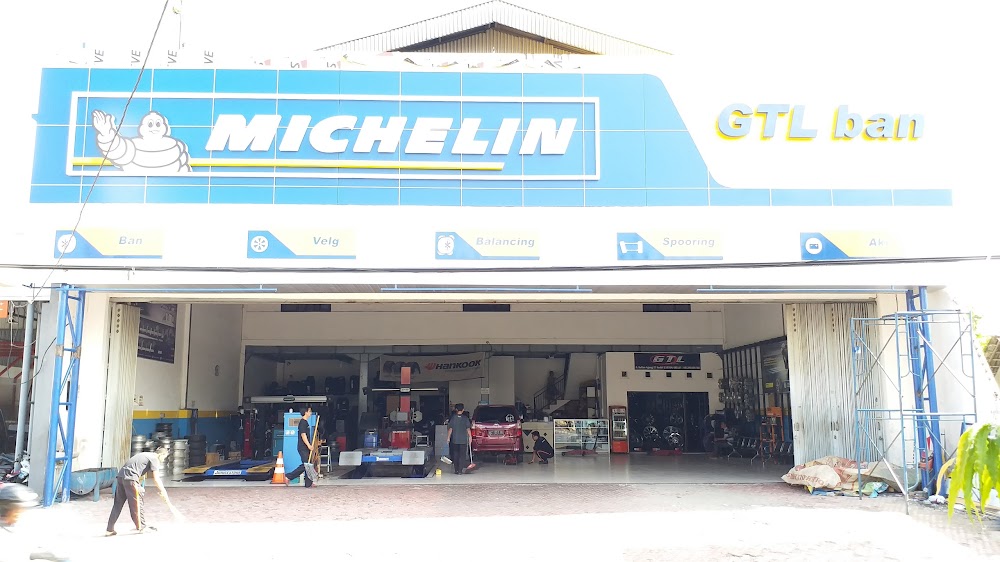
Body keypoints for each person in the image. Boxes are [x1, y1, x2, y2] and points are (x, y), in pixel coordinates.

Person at [106, 446, 172, 536]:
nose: (163, 460)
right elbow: (156, 479)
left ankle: (109, 529)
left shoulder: (145, 455)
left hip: (121, 477)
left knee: (117, 504)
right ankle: (142, 527)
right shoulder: (154, 458)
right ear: (161, 454)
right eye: (164, 457)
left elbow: (139, 472)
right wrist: (163, 491)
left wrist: (140, 486)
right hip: (130, 478)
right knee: (137, 504)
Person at [0, 483, 67, 562]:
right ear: (5, 509)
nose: (20, 512)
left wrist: (56, 556)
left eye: (22, 509)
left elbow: (29, 547)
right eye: (17, 509)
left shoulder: (18, 528)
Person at [285, 407, 316, 488]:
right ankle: (289, 476)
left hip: (305, 447)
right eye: (309, 411)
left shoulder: (306, 422)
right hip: (303, 447)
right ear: (306, 412)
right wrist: (308, 445)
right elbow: (303, 435)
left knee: (308, 464)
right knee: (306, 465)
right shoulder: (302, 422)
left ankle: (309, 483)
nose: (310, 413)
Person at [446, 403, 472, 474]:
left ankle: (456, 470)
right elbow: (468, 429)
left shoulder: (453, 418)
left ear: (456, 409)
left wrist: (448, 438)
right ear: (463, 410)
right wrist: (470, 437)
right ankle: (460, 470)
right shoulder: (465, 418)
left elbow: (450, 429)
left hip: (455, 440)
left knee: (455, 455)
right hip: (463, 441)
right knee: (462, 456)